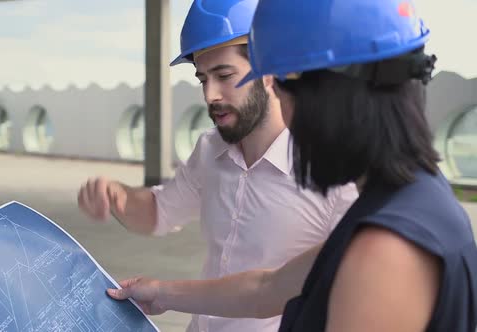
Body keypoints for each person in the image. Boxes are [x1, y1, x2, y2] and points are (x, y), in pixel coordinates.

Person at [107, 0, 477, 331]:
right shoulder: (410, 199)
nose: (287, 118)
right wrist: (163, 293)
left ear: (327, 97)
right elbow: (267, 288)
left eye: (284, 95)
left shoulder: (384, 252)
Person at [78, 1, 358, 331]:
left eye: (224, 76)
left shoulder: (334, 171)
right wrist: (118, 196)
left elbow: (349, 291)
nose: (211, 95)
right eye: (202, 79)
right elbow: (159, 211)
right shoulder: (210, 149)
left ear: (269, 70)